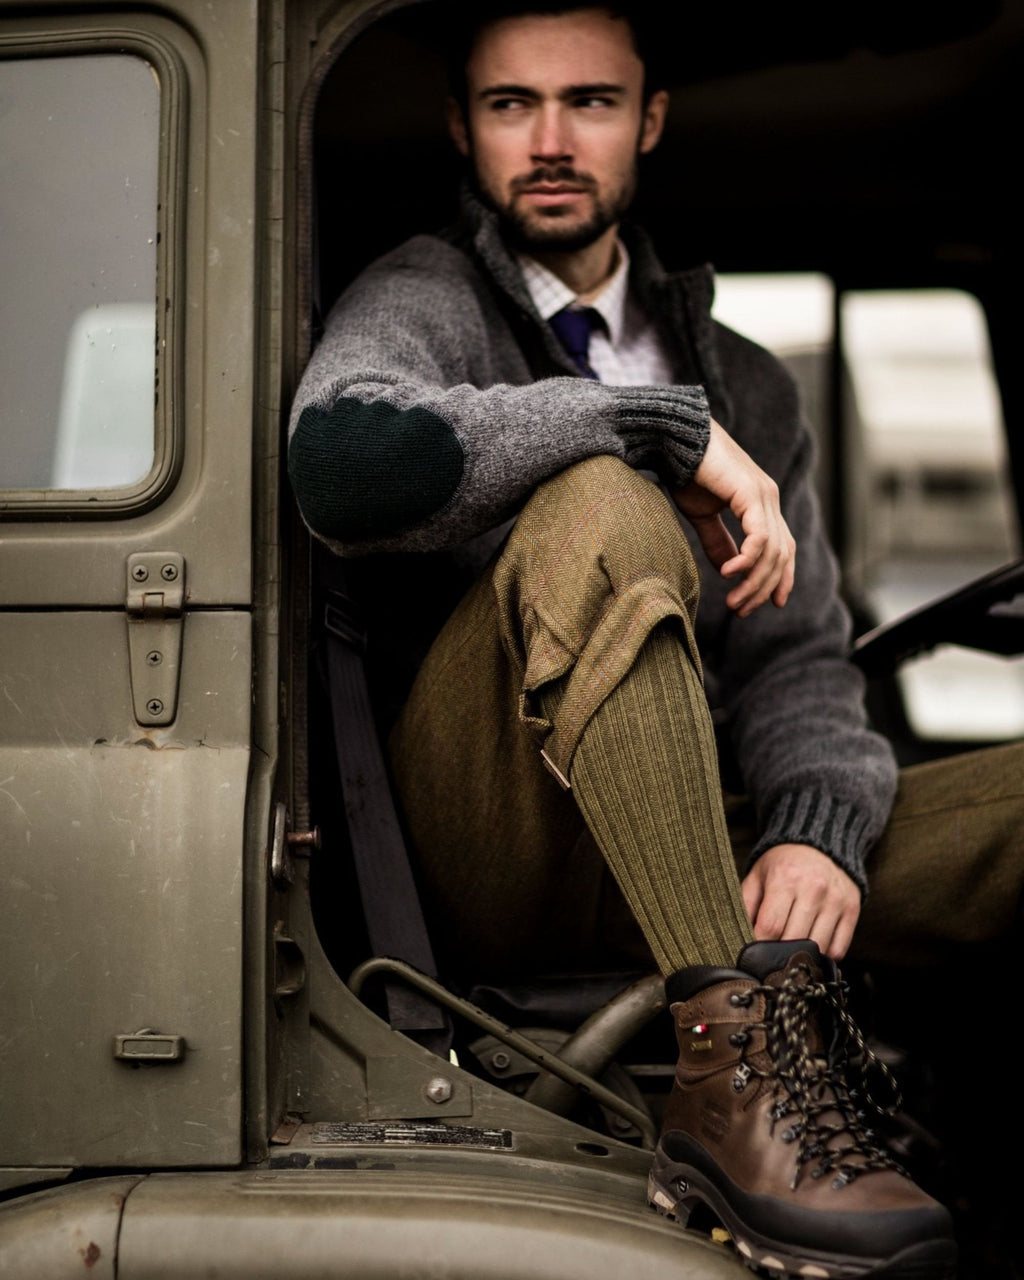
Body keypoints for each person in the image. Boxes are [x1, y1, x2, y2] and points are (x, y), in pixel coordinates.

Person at [288, 5, 1023, 1276]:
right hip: (490, 845)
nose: (553, 139)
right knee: (602, 501)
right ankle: (740, 1073)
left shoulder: (750, 382)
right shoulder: (424, 293)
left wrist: (814, 823)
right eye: (513, 105)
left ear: (650, 120)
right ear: (463, 128)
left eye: (592, 102)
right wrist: (645, 429)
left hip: (689, 837)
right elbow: (343, 463)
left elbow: (794, 655)